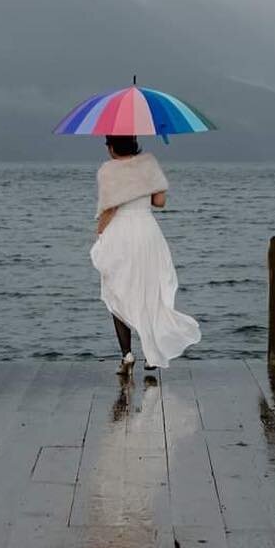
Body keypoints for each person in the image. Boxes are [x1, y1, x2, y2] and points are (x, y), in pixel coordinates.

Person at [90, 134, 201, 376]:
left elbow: (109, 209)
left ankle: (127, 355)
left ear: (111, 147)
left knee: (116, 292)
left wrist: (99, 233)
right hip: (148, 232)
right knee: (150, 293)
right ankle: (152, 356)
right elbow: (159, 201)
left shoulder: (108, 170)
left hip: (120, 233)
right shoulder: (149, 164)